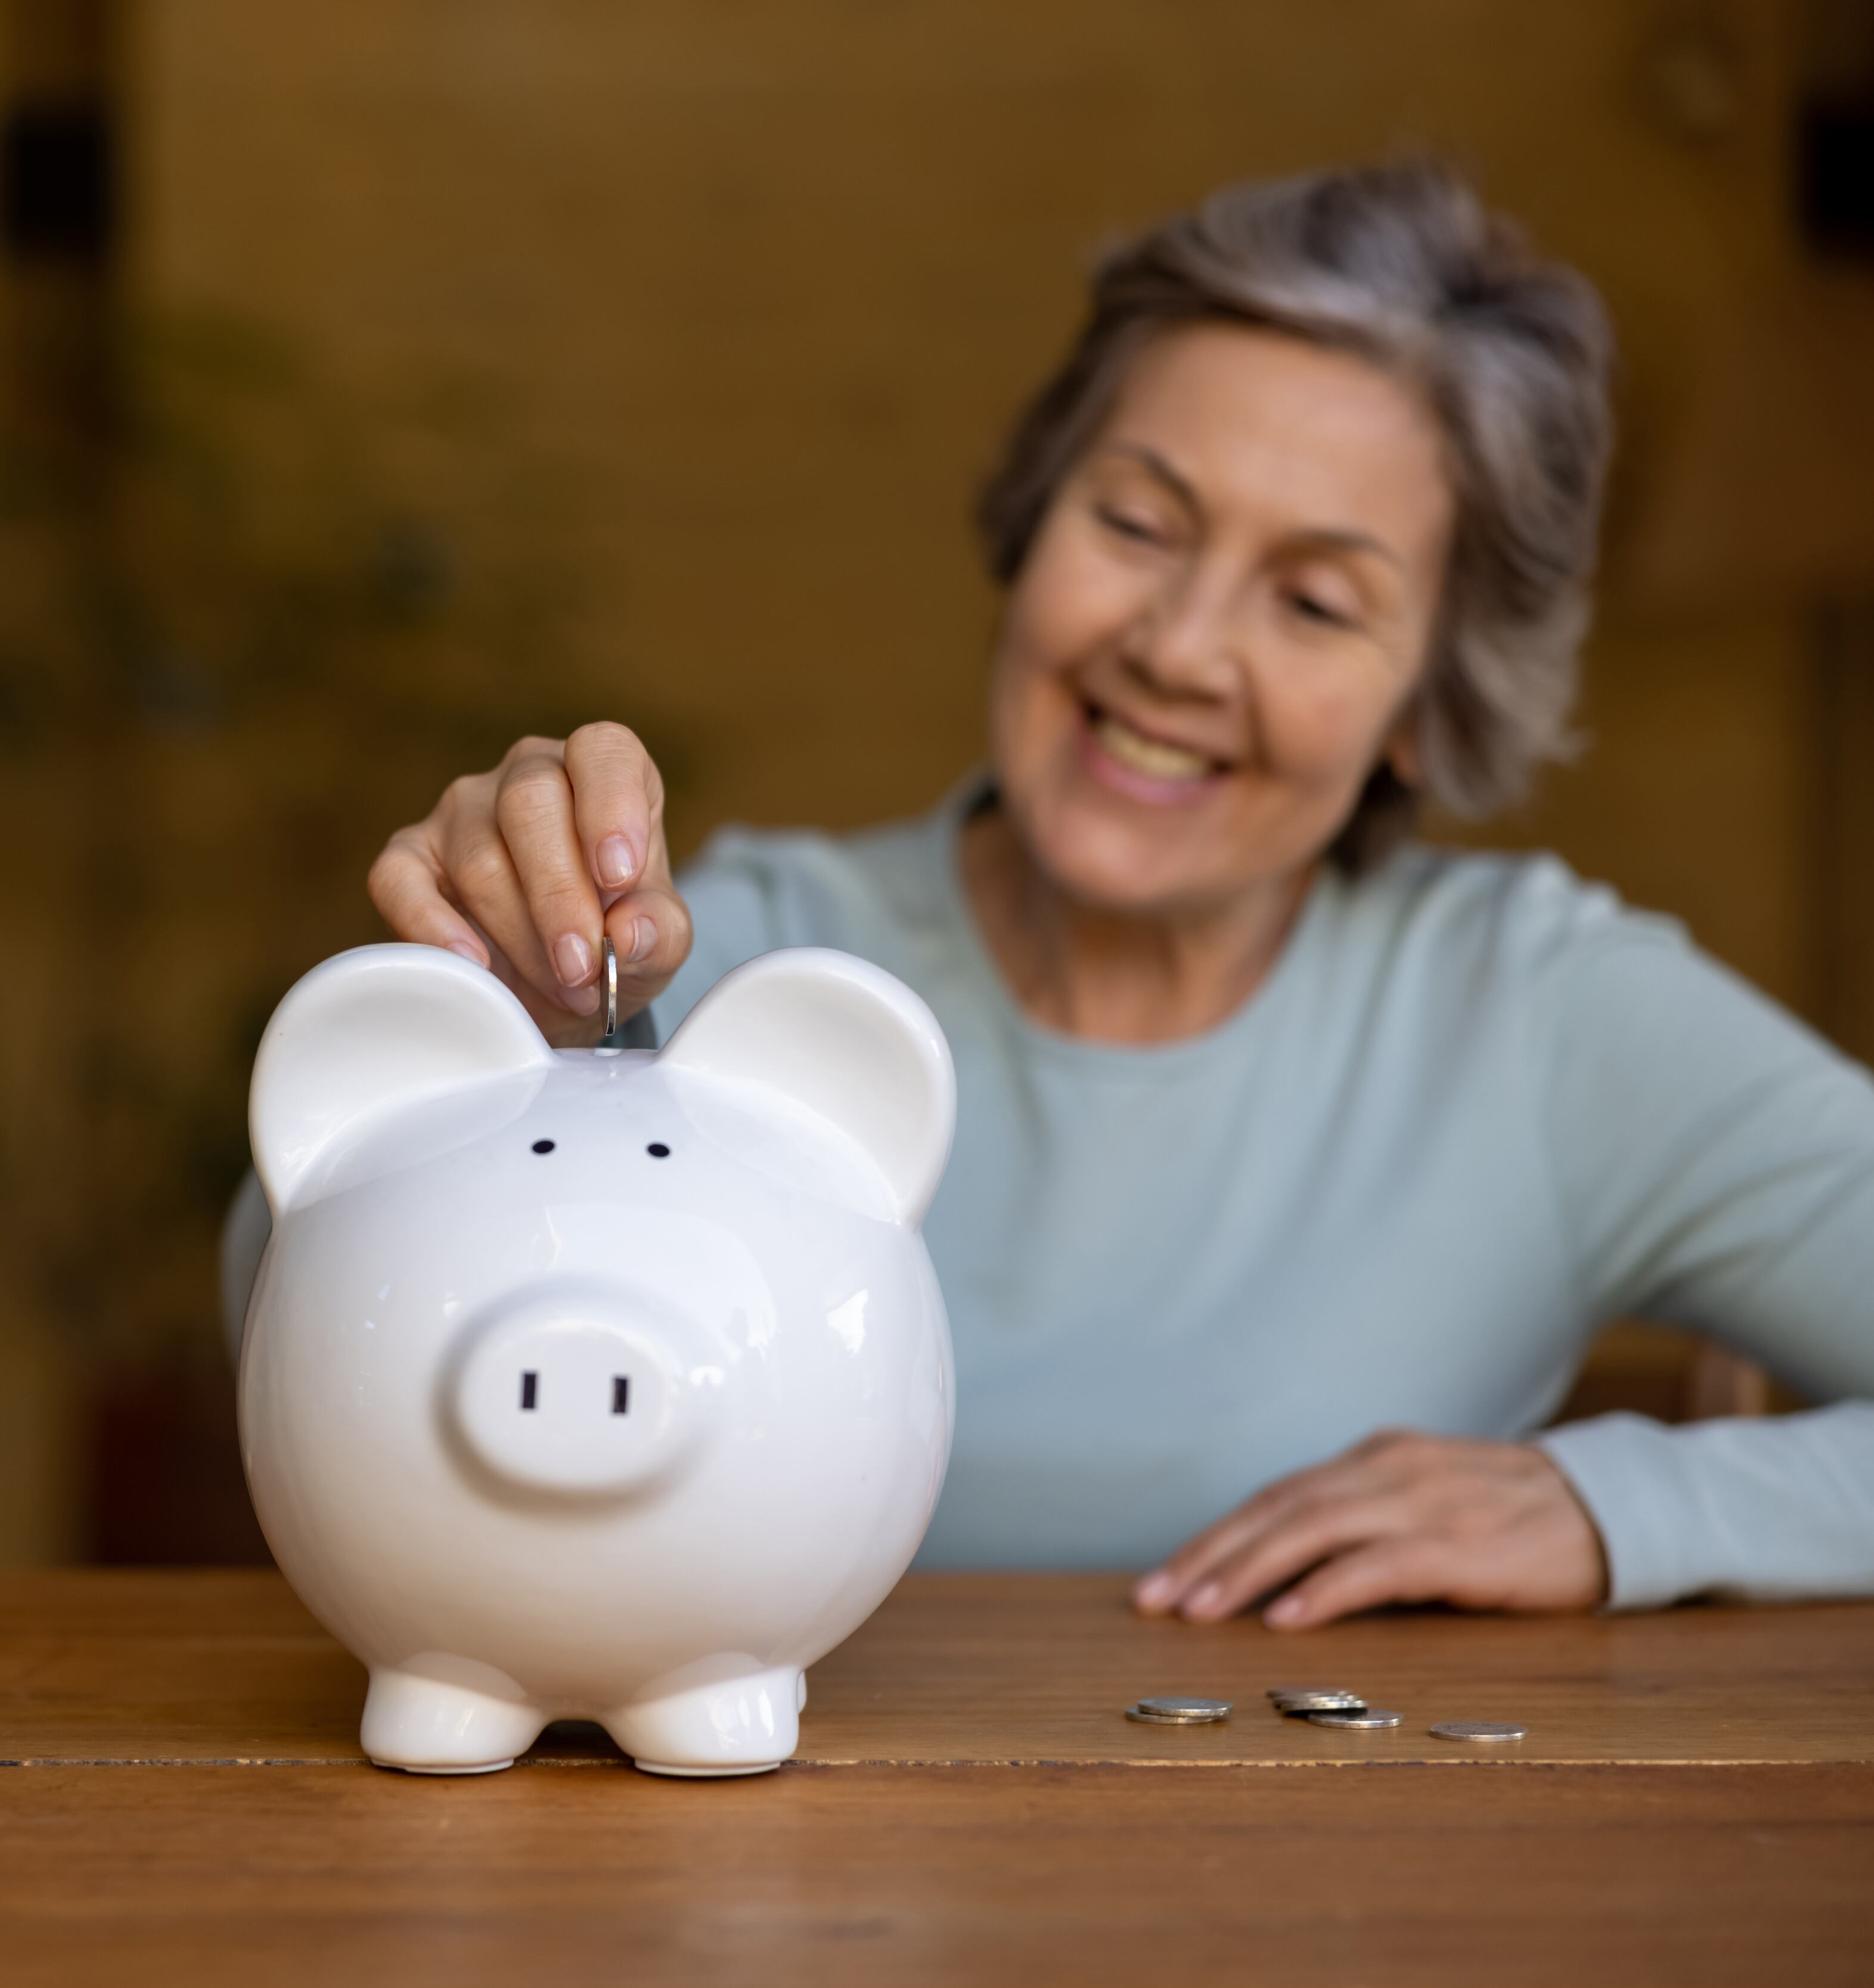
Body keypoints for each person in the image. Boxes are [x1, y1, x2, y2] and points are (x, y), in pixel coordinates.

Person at [308, 159, 1874, 1626]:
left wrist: (1624, 1508)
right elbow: (303, 1335)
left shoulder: (1541, 1017)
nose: (1178, 647)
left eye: (1317, 600)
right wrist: (479, 1024)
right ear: (1034, 518)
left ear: (1424, 707)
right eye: (1135, 522)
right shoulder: (737, 962)